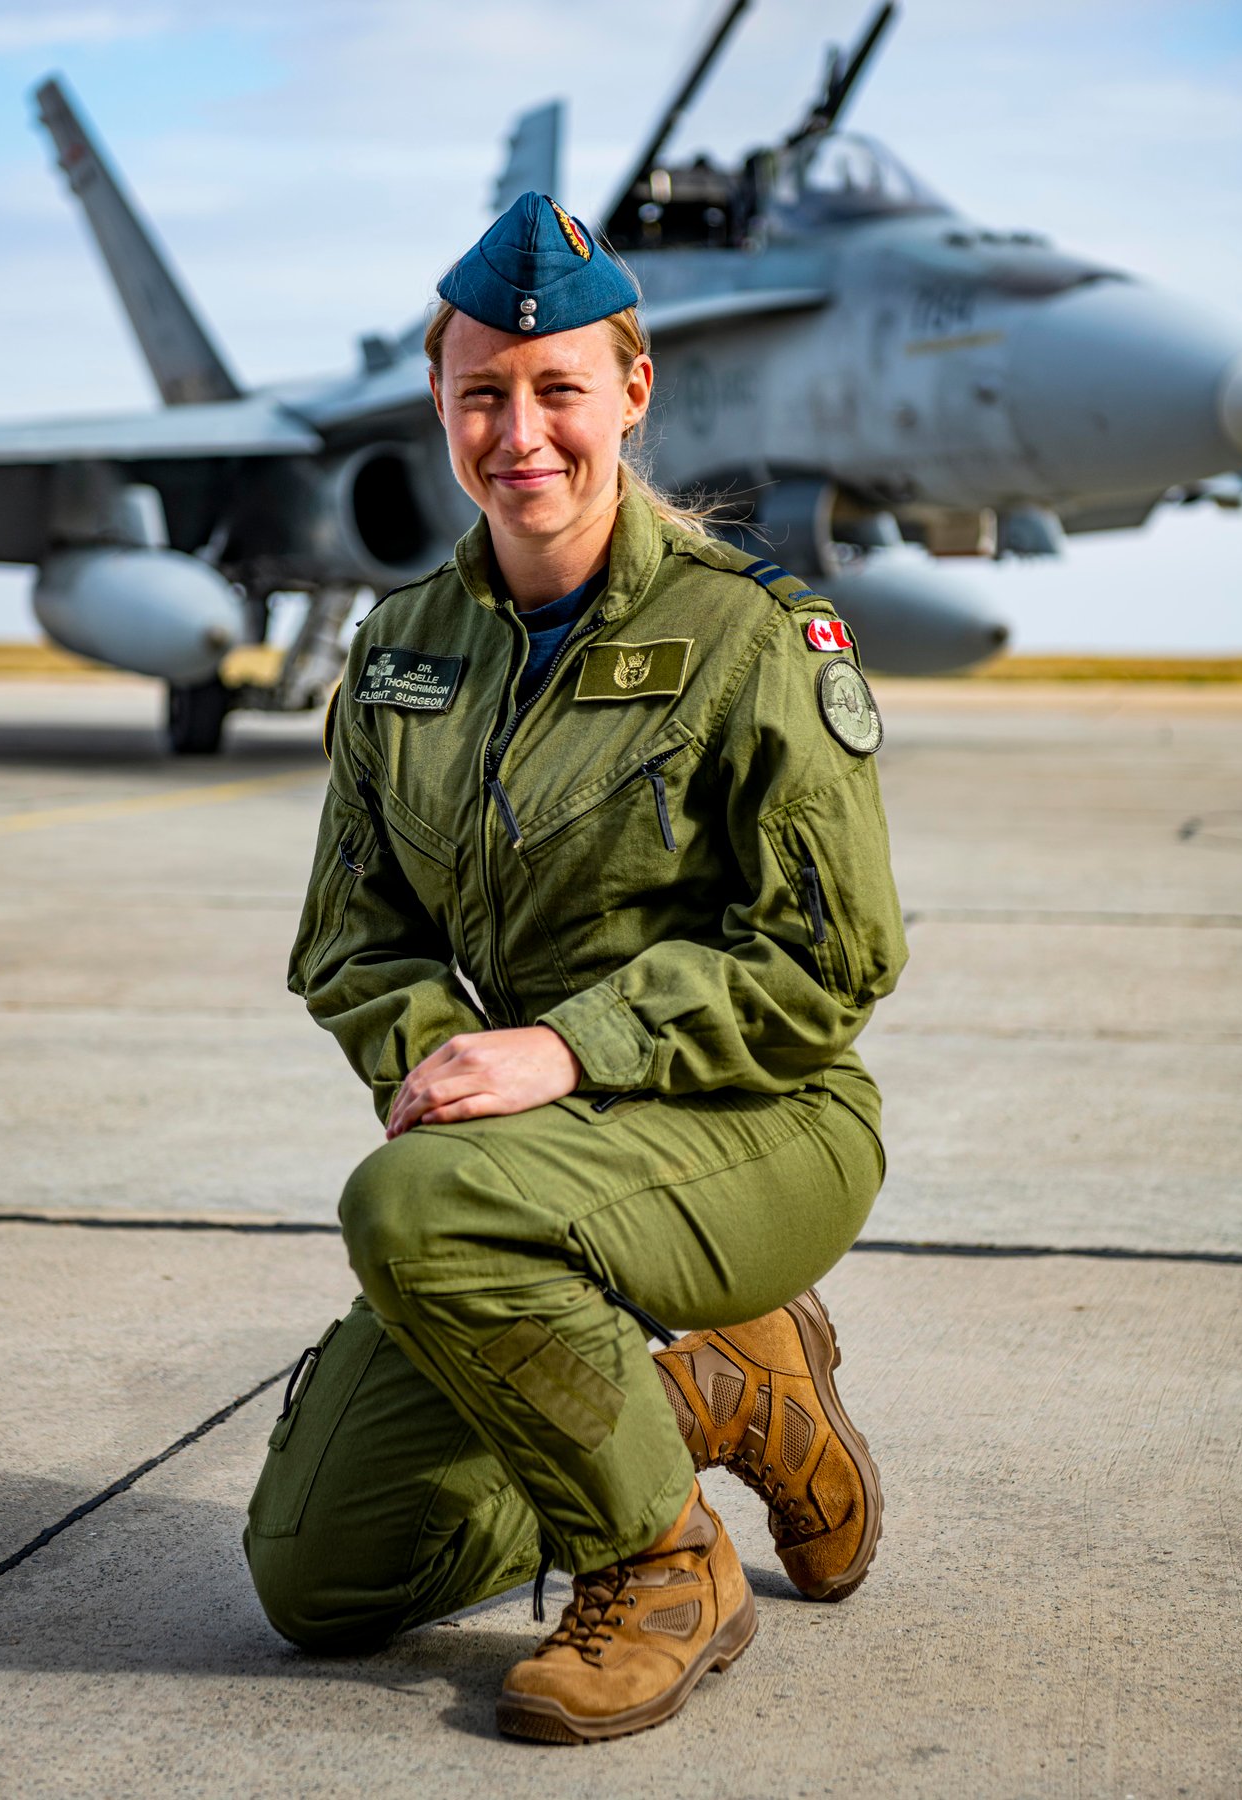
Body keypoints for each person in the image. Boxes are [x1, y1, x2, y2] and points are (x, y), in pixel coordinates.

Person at [244, 191, 908, 1745]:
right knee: (319, 1579)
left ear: (632, 392)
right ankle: (714, 1394)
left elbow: (830, 957)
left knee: (407, 1207)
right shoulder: (406, 651)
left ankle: (664, 1570)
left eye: (556, 388)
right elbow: (355, 937)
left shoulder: (755, 636)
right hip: (528, 1156)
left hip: (766, 1120)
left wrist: (566, 1049)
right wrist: (440, 1064)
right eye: (484, 393)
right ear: (440, 404)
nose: (519, 432)